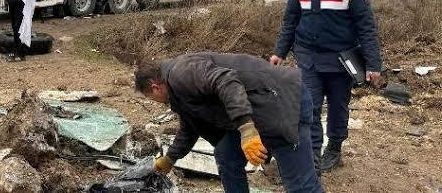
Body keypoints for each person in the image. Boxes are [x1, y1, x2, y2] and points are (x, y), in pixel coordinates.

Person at [270, 0, 382, 174]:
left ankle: (335, 148)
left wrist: (373, 64)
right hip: (308, 59)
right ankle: (311, 160)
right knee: (308, 108)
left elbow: (366, 27)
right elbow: (290, 22)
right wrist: (280, 52)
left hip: (341, 61)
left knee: (338, 106)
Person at [135, 53, 323, 193]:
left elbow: (227, 81)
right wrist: (170, 159)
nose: (156, 102)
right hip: (257, 109)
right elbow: (190, 126)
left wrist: (247, 129)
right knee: (227, 155)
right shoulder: (176, 91)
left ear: (155, 87)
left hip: (281, 102)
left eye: (151, 98)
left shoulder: (182, 72)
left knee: (300, 185)